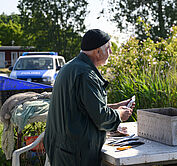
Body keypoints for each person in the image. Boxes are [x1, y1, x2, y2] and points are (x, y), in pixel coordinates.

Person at [44, 29, 134, 166]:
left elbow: (81, 106)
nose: (111, 53)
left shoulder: (70, 67)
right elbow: (101, 117)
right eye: (108, 49)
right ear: (97, 52)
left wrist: (115, 106)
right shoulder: (86, 74)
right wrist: (119, 115)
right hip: (75, 153)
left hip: (62, 148)